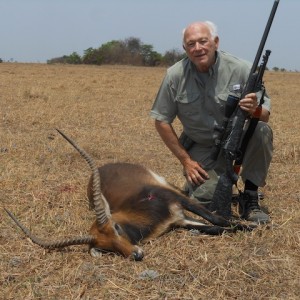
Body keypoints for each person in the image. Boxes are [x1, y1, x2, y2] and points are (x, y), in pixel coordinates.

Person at [150, 21, 273, 224]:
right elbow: (161, 121)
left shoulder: (242, 69)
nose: (197, 48)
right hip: (203, 146)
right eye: (191, 44)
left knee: (261, 130)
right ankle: (203, 184)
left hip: (238, 138)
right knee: (205, 204)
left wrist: (254, 110)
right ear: (184, 48)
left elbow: (265, 114)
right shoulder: (175, 75)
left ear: (215, 42)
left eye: (203, 41)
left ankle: (250, 197)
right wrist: (186, 161)